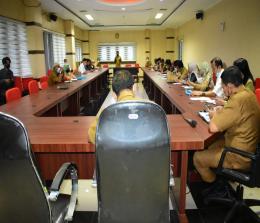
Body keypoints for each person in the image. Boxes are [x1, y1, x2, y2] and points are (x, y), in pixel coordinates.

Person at [193, 66, 260, 184]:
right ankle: (221, 178)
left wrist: (214, 114)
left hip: (240, 156)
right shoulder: (249, 94)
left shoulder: (237, 100)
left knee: (198, 158)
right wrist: (222, 110)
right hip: (250, 147)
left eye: (223, 86)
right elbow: (238, 114)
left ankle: (215, 185)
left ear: (229, 86)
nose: (223, 90)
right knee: (211, 146)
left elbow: (213, 127)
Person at [88, 70, 140, 144]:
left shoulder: (105, 112)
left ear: (113, 93)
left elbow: (91, 136)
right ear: (133, 87)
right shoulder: (152, 107)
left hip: (117, 154)